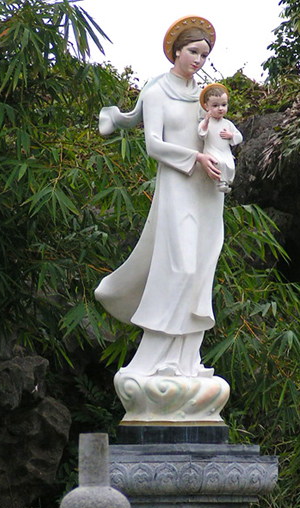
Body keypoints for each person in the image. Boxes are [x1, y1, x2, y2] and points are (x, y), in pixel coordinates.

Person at [95, 16, 225, 378]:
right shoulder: (156, 93)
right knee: (180, 266)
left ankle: (185, 361)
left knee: (200, 269)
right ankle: (154, 356)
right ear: (177, 51)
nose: (199, 60)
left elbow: (215, 135)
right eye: (194, 52)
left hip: (206, 190)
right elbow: (154, 145)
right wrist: (195, 157)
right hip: (176, 184)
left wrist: (221, 154)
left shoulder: (206, 97)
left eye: (204, 54)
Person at [198, 84, 243, 193]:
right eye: (215, 105)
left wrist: (231, 135)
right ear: (207, 106)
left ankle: (226, 182)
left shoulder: (228, 124)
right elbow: (201, 133)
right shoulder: (206, 122)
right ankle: (220, 182)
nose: (220, 108)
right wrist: (206, 123)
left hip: (225, 151)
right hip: (212, 150)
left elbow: (239, 137)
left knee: (230, 165)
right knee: (218, 163)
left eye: (223, 104)